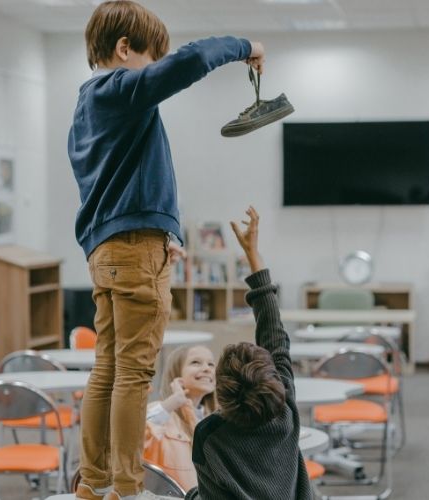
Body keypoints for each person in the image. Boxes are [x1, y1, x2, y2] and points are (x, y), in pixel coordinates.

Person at [68, 2, 266, 499]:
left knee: (108, 369)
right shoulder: (121, 90)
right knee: (133, 375)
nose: (154, 68)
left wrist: (157, 231)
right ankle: (127, 490)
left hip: (109, 249)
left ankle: (93, 486)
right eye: (149, 58)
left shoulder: (86, 104)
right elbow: (191, 60)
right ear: (123, 49)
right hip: (133, 251)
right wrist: (248, 47)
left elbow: (115, 188)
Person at [185, 206, 312, 500]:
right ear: (273, 381)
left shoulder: (208, 434)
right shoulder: (285, 410)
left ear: (222, 392)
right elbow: (274, 333)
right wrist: (254, 255)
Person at [143, 345, 217, 491]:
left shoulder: (213, 420)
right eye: (195, 362)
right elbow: (131, 436)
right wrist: (173, 402)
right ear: (176, 373)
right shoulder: (162, 411)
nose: (207, 368)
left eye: (211, 364)